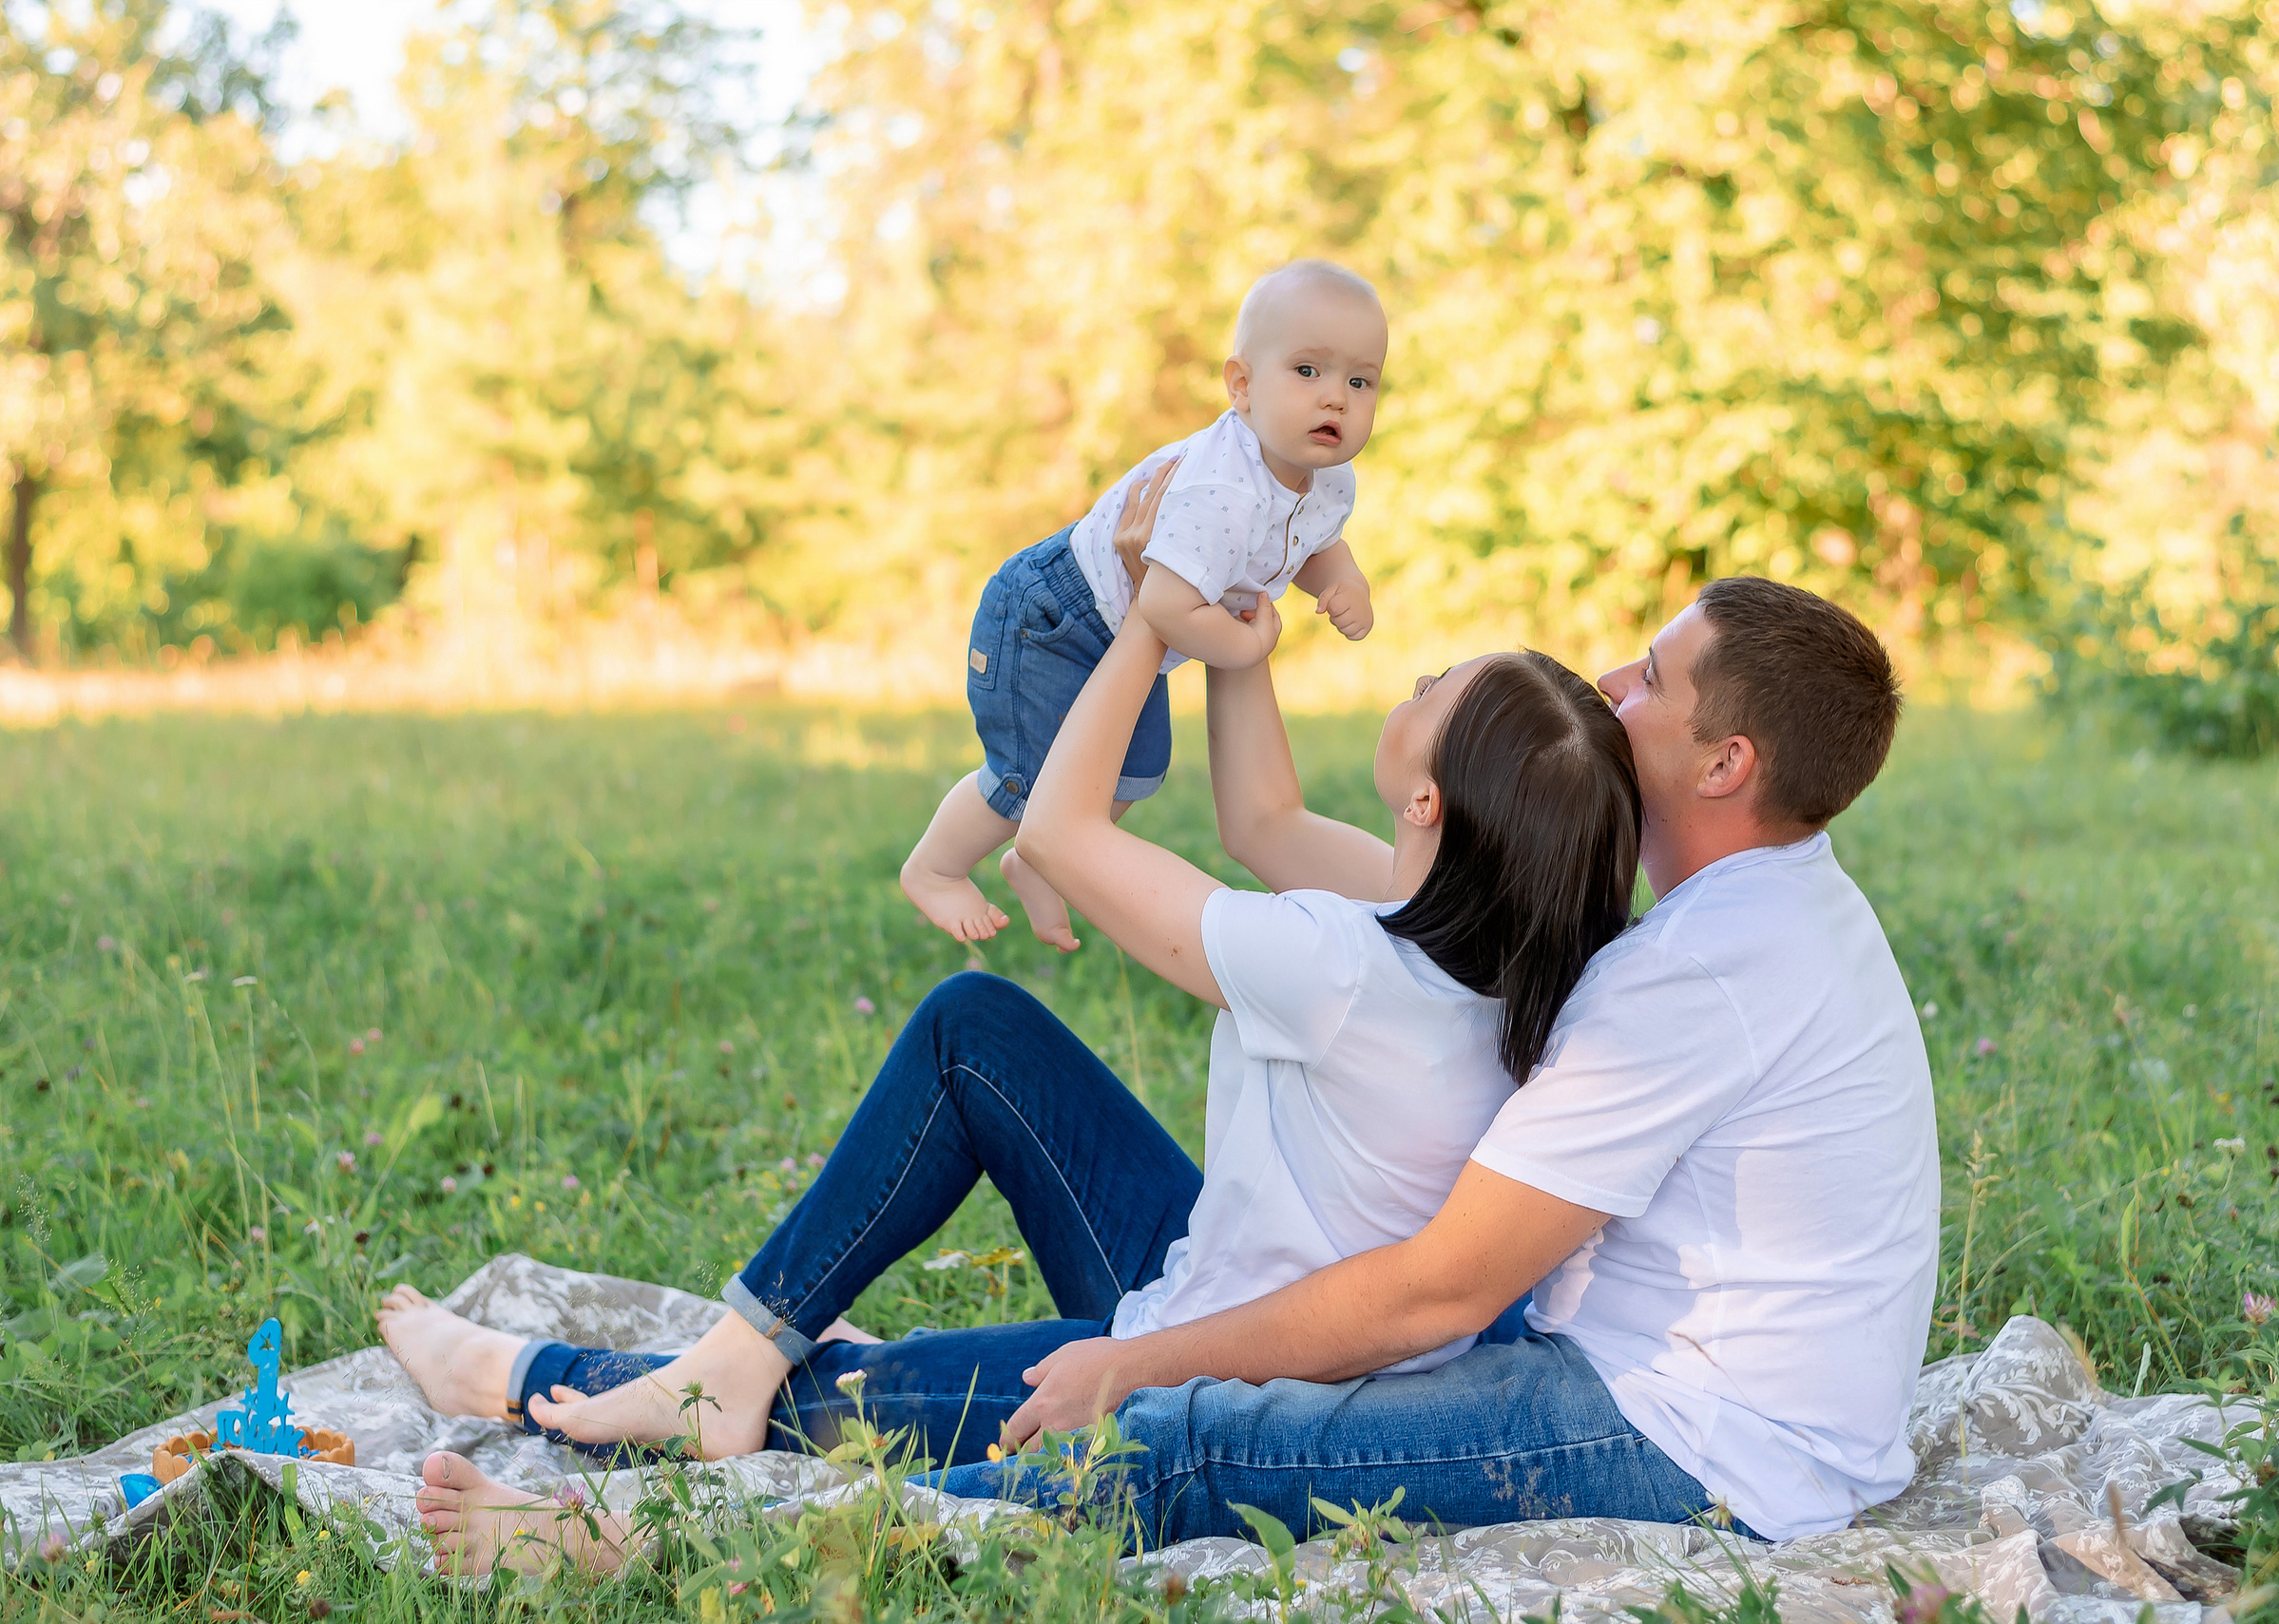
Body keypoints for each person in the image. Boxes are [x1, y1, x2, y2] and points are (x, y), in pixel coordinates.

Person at [387, 571, 1933, 1572]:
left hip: (1689, 1445)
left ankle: (629, 1499)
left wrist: (1138, 1365)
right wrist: (1235, 639)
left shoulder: (1690, 971)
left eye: (1653, 674)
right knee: (995, 1074)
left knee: (1166, 1434)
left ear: (1725, 763)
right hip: (1321, 1280)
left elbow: (1436, 1295)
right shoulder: (1608, 915)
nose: (1616, 676)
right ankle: (670, 1386)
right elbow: (1273, 832)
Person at [899, 258, 1385, 954]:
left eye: (1359, 380)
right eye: (1308, 371)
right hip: (1052, 614)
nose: (1336, 397)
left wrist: (1348, 583)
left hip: (1124, 632)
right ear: (1241, 386)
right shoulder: (1223, 485)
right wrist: (1246, 647)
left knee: (1136, 770)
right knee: (1026, 773)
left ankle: (1038, 860)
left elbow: (1315, 545)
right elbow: (1165, 604)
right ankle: (936, 867)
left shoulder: (1329, 482)